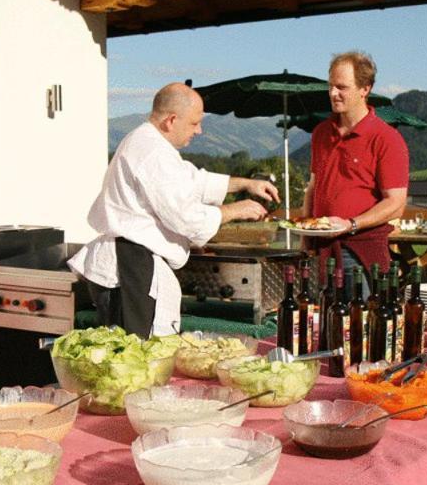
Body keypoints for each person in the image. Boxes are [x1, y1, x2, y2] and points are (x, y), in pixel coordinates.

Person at [69, 82, 279, 338]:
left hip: (131, 261)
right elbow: (186, 217)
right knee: (135, 355)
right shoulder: (152, 152)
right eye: (194, 123)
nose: (199, 131)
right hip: (131, 265)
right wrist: (235, 211)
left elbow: (191, 181)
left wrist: (246, 183)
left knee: (136, 355)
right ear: (171, 120)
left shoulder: (149, 143)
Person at [301, 52, 409, 291]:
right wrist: (304, 235)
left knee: (356, 324)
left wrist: (351, 224)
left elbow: (396, 203)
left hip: (359, 249)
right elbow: (313, 187)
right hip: (320, 248)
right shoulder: (320, 133)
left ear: (365, 89)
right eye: (330, 86)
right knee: (319, 322)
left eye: (341, 87)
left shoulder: (387, 138)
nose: (332, 93)